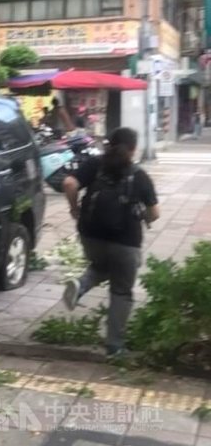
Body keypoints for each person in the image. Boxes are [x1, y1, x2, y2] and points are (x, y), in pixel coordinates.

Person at [61, 127, 159, 358]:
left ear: (109, 144)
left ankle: (82, 284)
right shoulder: (139, 175)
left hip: (91, 236)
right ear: (134, 149)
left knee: (102, 266)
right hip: (126, 242)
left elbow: (68, 184)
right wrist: (143, 215)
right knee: (121, 292)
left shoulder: (95, 165)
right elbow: (155, 214)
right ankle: (115, 347)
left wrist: (74, 208)